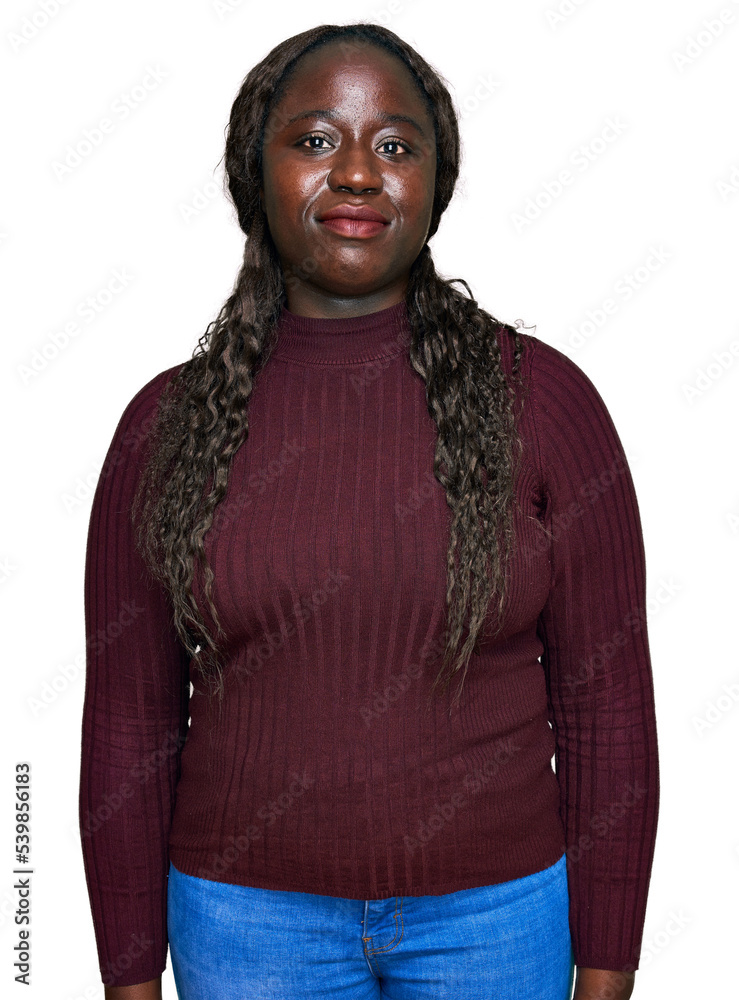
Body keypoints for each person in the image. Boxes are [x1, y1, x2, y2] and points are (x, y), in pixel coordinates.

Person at [78, 21, 660, 1000]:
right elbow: (129, 722)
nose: (356, 172)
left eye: (395, 145)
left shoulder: (547, 405)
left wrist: (606, 972)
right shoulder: (161, 429)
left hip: (496, 921)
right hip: (243, 923)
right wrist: (129, 976)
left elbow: (608, 709)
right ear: (250, 172)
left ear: (436, 182)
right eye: (313, 140)